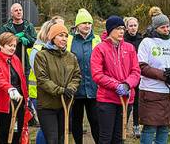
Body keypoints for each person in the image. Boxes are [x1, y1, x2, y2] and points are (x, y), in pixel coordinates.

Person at [136, 14, 170, 144]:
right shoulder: (147, 42)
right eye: (162, 27)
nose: (166, 29)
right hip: (151, 91)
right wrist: (163, 75)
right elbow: (142, 66)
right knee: (150, 126)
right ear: (155, 28)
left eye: (167, 26)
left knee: (165, 126)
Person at [90, 15, 139, 144]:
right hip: (107, 99)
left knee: (119, 137)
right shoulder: (100, 49)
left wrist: (127, 84)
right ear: (110, 30)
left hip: (126, 98)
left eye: (123, 28)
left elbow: (136, 71)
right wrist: (116, 85)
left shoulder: (130, 48)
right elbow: (97, 74)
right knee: (106, 138)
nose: (122, 31)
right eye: (118, 28)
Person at [34, 20, 81, 144]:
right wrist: (61, 90)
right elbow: (42, 79)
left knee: (62, 138)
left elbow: (76, 76)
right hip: (47, 106)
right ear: (52, 37)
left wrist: (71, 88)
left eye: (66, 36)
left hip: (65, 104)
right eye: (60, 35)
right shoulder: (41, 56)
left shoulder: (71, 57)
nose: (64, 38)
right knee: (52, 140)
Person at [0, 32, 31, 144]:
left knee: (17, 133)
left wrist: (26, 98)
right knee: (5, 134)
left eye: (14, 46)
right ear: (1, 45)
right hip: (3, 103)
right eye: (9, 45)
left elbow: (22, 79)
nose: (13, 48)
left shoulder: (15, 59)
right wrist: (10, 88)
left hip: (19, 101)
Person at [67, 9, 101, 144]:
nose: (87, 25)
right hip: (76, 88)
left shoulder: (97, 39)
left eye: (89, 23)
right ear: (77, 25)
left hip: (93, 88)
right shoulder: (70, 40)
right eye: (84, 23)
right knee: (76, 121)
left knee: (96, 120)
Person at [0, 2, 37, 76]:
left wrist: (26, 36)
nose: (19, 12)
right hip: (10, 61)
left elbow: (34, 42)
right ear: (12, 13)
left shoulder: (29, 26)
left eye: (20, 10)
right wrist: (17, 38)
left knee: (24, 81)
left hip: (24, 62)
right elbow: (3, 42)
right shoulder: (6, 27)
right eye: (16, 10)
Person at [123, 17, 144, 137]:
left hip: (138, 74)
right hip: (126, 75)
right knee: (127, 100)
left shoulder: (142, 40)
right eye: (130, 26)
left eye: (135, 25)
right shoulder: (123, 40)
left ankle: (136, 125)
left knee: (137, 101)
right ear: (126, 27)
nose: (133, 28)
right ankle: (123, 124)